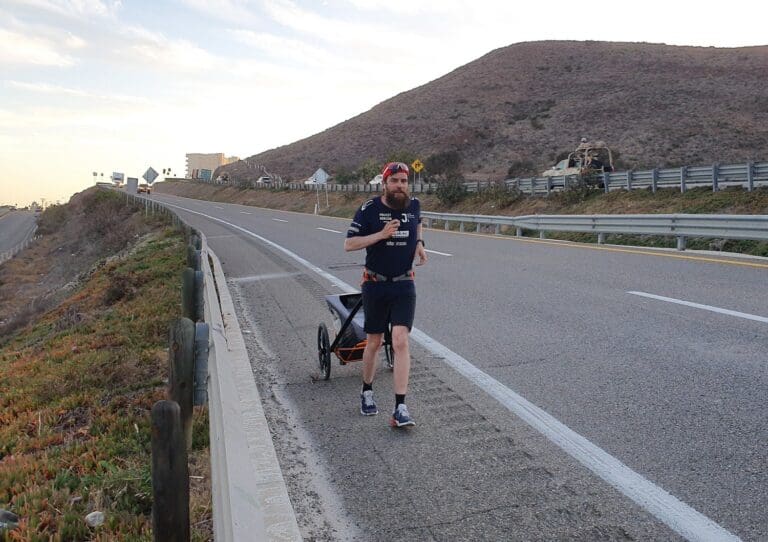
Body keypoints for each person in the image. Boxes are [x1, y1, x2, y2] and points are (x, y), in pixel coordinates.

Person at [344, 162, 428, 427]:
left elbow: (418, 223)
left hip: (404, 284)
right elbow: (349, 244)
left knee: (400, 340)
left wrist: (419, 243)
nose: (401, 186)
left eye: (404, 181)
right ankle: (367, 389)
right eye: (396, 181)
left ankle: (400, 407)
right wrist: (380, 234)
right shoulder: (370, 209)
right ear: (385, 184)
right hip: (375, 284)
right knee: (374, 342)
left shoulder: (413, 205)